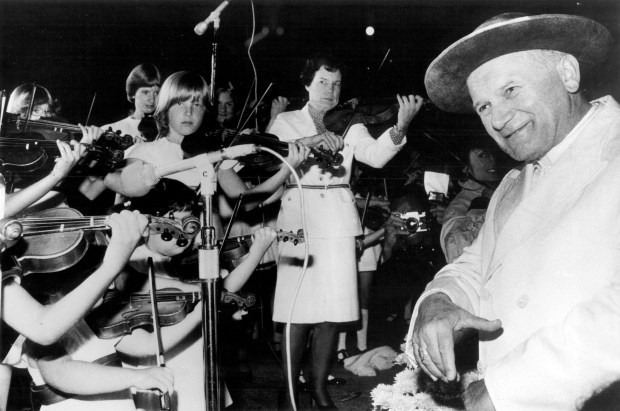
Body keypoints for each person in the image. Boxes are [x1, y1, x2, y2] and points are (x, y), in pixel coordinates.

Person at [406, 12, 620, 410]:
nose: (498, 120)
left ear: (568, 73)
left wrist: (511, 387)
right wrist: (437, 301)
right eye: (483, 106)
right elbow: (476, 264)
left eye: (510, 90)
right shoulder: (511, 185)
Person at [267, 53, 423, 409]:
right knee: (296, 311)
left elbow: (376, 155)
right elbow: (273, 160)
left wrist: (400, 125)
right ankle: (290, 391)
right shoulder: (286, 121)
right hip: (300, 216)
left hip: (338, 219)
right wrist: (313, 141)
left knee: (330, 313)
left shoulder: (351, 124)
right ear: (307, 83)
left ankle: (320, 389)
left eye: (337, 84)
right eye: (322, 82)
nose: (330, 90)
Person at [440, 142, 503, 263]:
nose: (492, 159)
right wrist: (481, 206)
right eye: (482, 155)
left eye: (494, 152)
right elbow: (457, 256)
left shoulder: (508, 186)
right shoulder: (458, 206)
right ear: (465, 167)